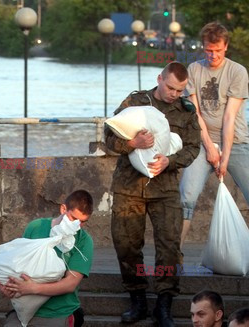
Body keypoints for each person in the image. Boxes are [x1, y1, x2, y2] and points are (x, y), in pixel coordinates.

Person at [105, 62, 201, 325]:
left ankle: (164, 305)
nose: (174, 94)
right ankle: (137, 301)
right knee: (126, 245)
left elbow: (193, 148)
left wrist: (170, 161)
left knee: (169, 247)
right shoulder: (136, 102)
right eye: (170, 87)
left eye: (180, 90)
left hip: (166, 188)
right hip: (129, 187)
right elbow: (108, 137)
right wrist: (132, 143)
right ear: (160, 79)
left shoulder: (185, 111)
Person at [180, 21, 249, 248]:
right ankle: (173, 256)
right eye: (209, 50)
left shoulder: (237, 72)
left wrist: (224, 157)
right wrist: (208, 146)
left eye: (218, 50)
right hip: (202, 142)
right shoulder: (194, 70)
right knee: (186, 198)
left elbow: (229, 118)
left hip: (236, 143)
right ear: (203, 46)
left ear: (226, 46)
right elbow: (195, 113)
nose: (213, 55)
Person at [0, 189, 94, 327]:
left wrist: (33, 288)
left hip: (58, 312)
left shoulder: (84, 241)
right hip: (24, 310)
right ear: (63, 209)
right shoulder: (36, 227)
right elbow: (19, 265)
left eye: (83, 222)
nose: (77, 225)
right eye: (74, 218)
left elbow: (71, 283)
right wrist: (10, 288)